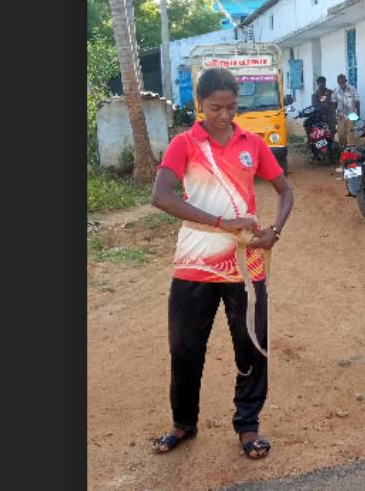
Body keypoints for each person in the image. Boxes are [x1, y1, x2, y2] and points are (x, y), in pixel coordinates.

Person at [150, 67, 294, 459]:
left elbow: (284, 191)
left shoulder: (252, 143)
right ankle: (183, 423)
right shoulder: (185, 144)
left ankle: (248, 425)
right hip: (195, 259)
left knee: (251, 344)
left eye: (232, 107)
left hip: (245, 264)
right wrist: (220, 222)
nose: (225, 116)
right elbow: (161, 196)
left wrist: (275, 231)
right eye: (216, 108)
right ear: (199, 106)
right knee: (184, 348)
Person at [334, 73, 360, 147]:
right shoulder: (336, 90)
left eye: (343, 83)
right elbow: (334, 103)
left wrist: (358, 114)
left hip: (351, 115)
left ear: (345, 81)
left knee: (351, 134)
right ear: (338, 83)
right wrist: (335, 114)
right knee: (341, 134)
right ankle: (343, 149)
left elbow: (357, 101)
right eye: (340, 83)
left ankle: (352, 151)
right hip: (340, 116)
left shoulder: (352, 89)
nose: (342, 84)